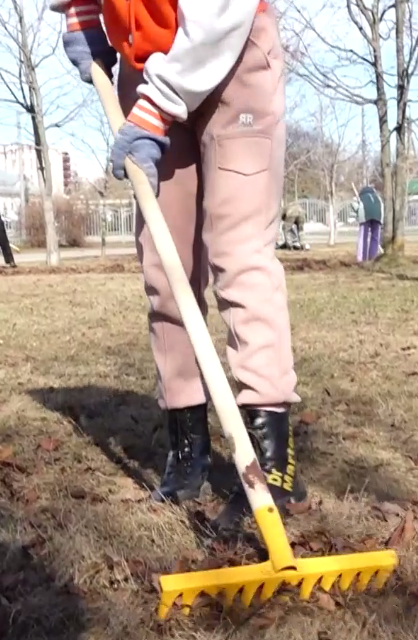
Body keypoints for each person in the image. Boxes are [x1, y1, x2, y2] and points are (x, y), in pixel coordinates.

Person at [52, 0, 307, 513]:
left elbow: (221, 12)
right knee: (164, 265)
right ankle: (187, 448)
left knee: (240, 253)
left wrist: (158, 107)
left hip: (232, 45)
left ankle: (272, 459)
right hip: (144, 61)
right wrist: (79, 7)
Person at [356, 184, 383, 262]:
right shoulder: (378, 198)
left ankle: (362, 259)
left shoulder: (360, 198)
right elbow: (381, 207)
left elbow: (356, 208)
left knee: (363, 237)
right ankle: (373, 257)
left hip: (365, 216)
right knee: (375, 237)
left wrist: (357, 218)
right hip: (378, 216)